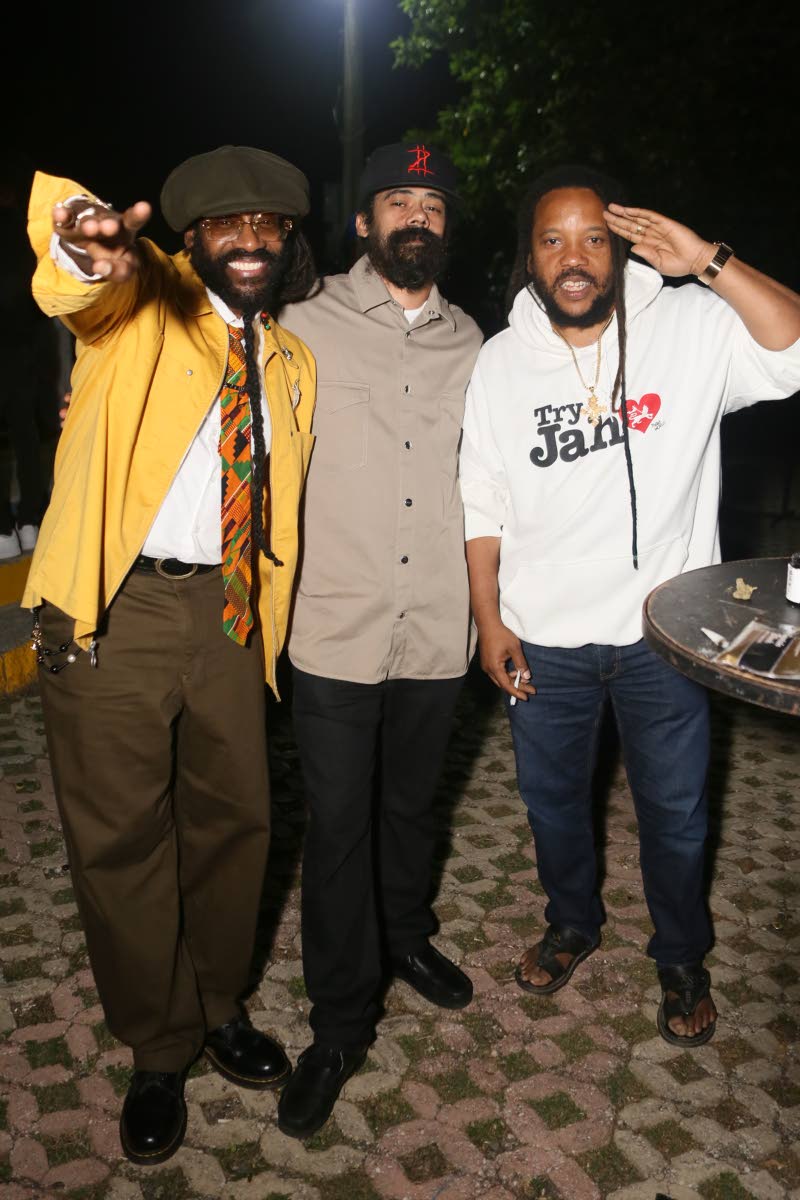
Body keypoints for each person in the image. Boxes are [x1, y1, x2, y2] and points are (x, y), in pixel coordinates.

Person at [460, 164, 800, 1049]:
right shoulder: (500, 362)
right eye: (552, 239)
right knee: (552, 806)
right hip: (545, 638)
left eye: (593, 238)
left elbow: (795, 345)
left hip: (665, 638)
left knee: (679, 816)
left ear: (620, 249)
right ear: (529, 257)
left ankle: (682, 954)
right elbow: (482, 497)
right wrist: (490, 619)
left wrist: (710, 260)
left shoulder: (689, 326)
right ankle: (573, 922)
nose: (574, 258)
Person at [23, 146, 317, 1164]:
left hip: (231, 613)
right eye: (226, 224)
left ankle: (220, 1002)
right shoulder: (145, 309)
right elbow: (77, 271)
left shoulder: (291, 362)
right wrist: (86, 239)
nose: (248, 238)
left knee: (237, 821)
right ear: (188, 240)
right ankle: (158, 1046)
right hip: (119, 605)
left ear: (287, 243)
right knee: (121, 842)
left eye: (267, 224)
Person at [276, 142, 483, 1138]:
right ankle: (338, 1022)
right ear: (361, 222)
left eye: (433, 205)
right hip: (332, 626)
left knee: (409, 810)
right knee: (338, 827)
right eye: (397, 201)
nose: (416, 217)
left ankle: (405, 935)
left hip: (436, 627)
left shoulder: (473, 343)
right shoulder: (298, 327)